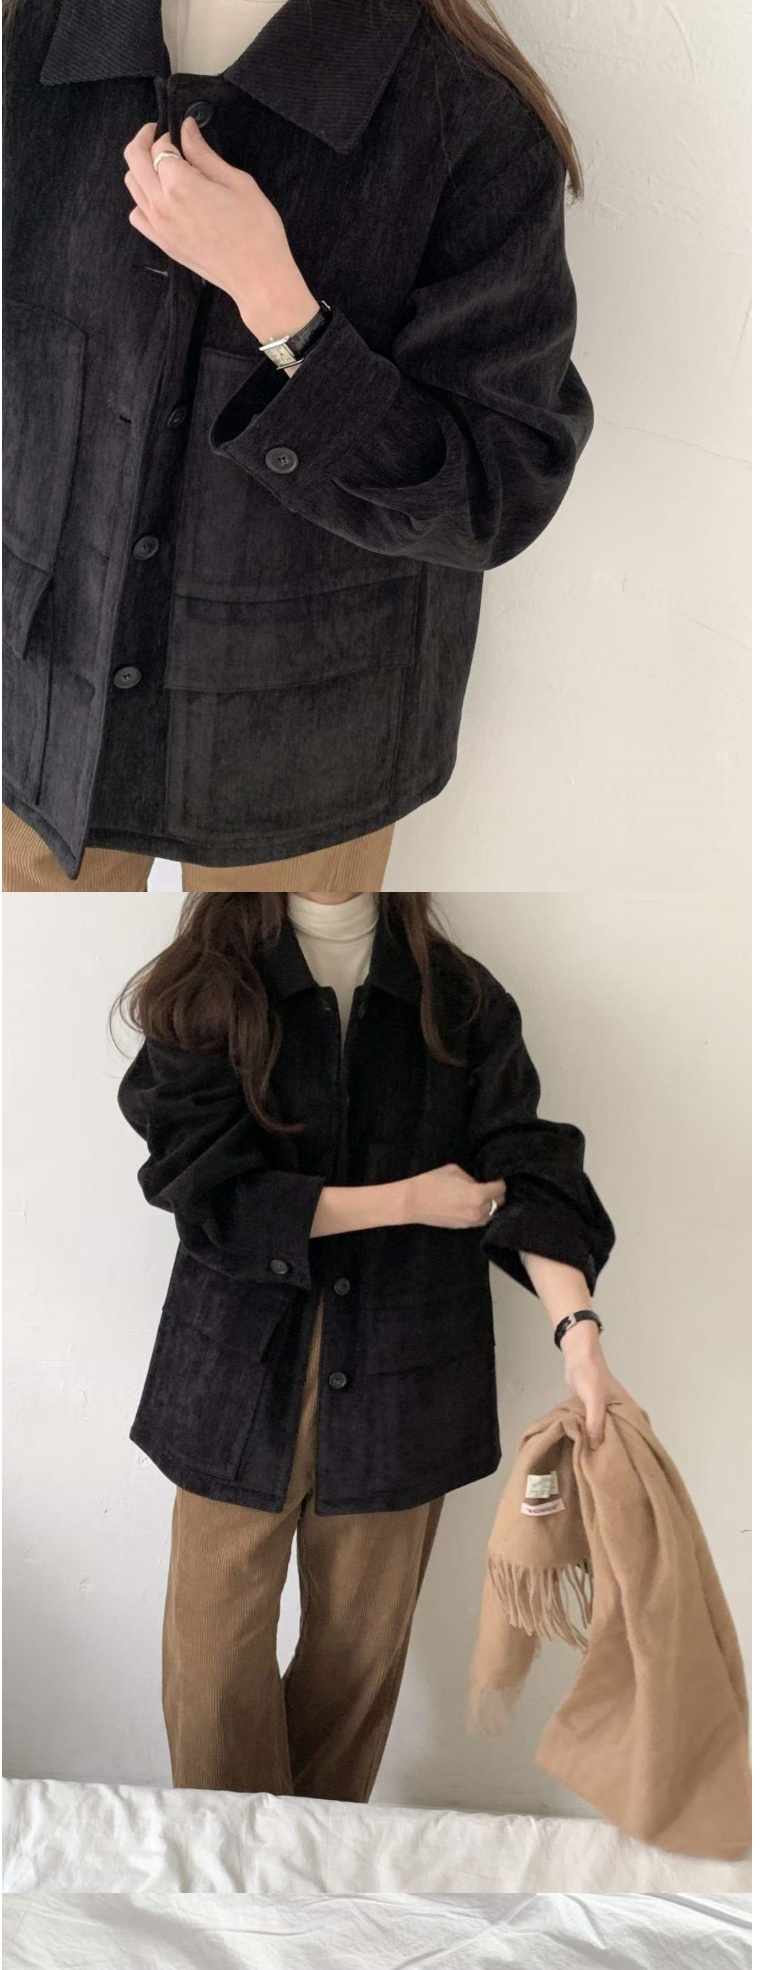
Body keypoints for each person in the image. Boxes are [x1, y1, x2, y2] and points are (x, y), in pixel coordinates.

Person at [4, 0, 592, 890]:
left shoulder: (466, 113)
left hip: (310, 742)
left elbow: (492, 495)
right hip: (35, 693)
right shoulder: (25, 43)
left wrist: (279, 306)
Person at [115, 890, 624, 1799]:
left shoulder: (457, 998)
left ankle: (316, 1865)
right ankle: (235, 1865)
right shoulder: (209, 987)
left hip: (406, 1377)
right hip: (238, 1375)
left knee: (356, 1658)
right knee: (212, 1654)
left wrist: (577, 1334)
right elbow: (208, 1192)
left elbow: (529, 1168)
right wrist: (409, 1200)